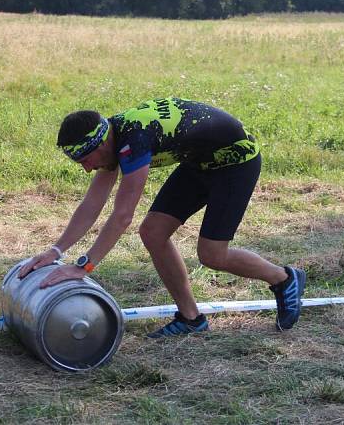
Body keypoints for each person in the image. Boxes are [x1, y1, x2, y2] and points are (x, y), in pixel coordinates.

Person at [17, 97, 306, 337]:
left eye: (85, 161)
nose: (87, 169)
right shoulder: (110, 138)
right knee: (153, 232)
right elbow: (92, 204)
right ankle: (192, 319)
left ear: (101, 144)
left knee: (212, 255)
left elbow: (122, 216)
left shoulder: (134, 140)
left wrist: (84, 266)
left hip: (236, 163)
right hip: (199, 162)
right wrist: (55, 250)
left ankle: (283, 279)